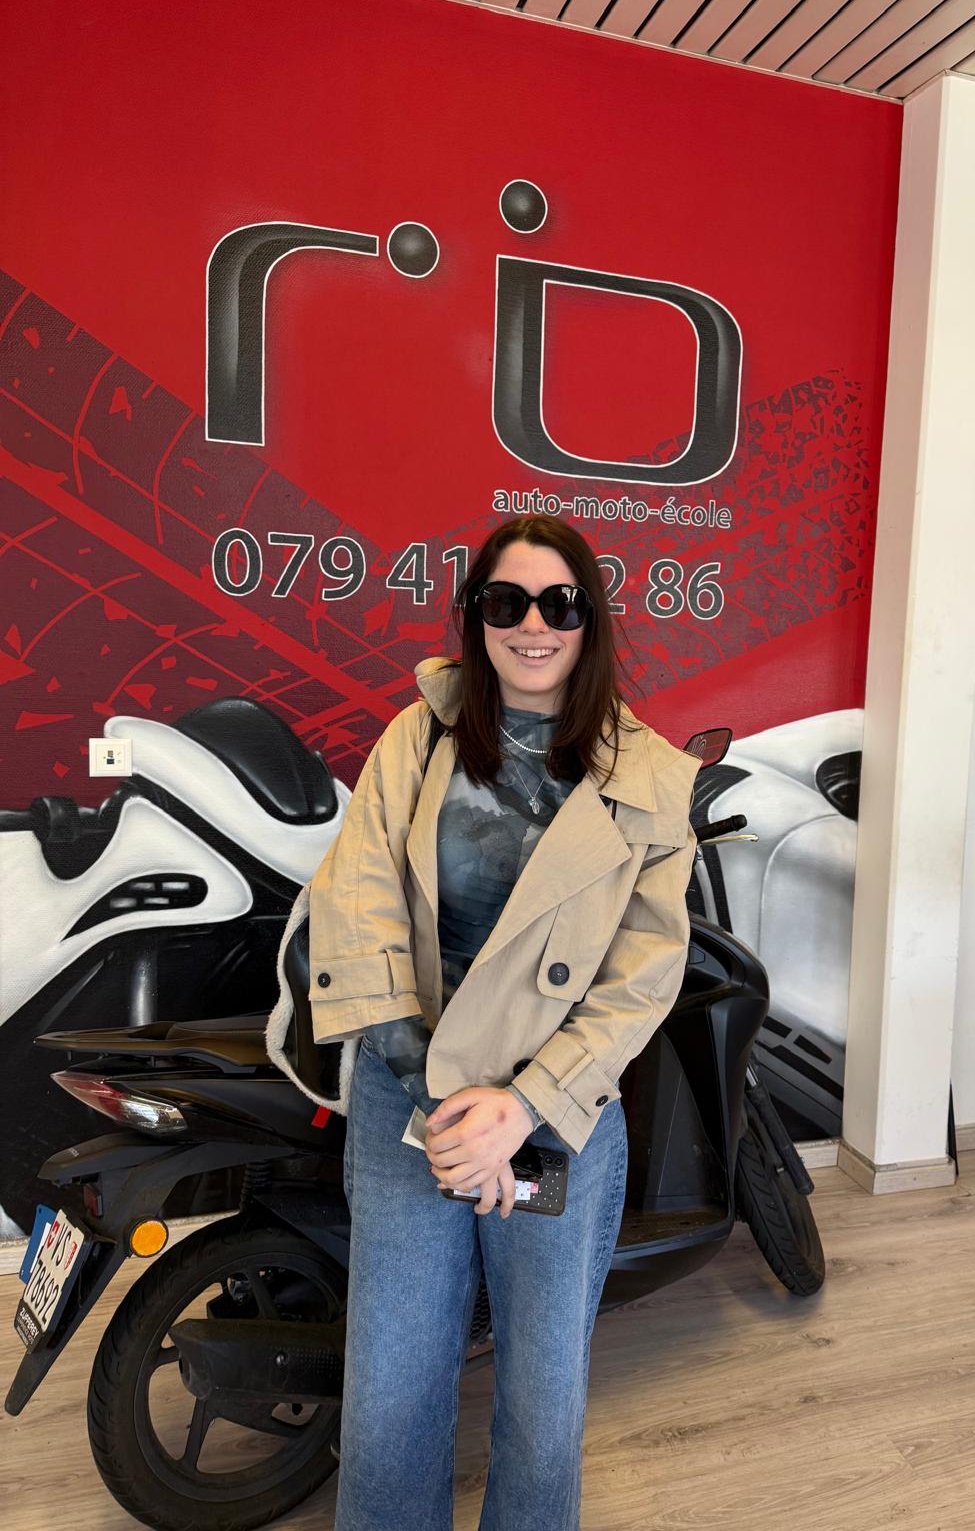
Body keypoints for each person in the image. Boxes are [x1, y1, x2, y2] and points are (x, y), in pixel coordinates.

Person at [267, 514, 700, 1531]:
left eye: (559, 603)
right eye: (508, 601)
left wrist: (521, 1106)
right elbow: (358, 906)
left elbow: (641, 976)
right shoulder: (418, 737)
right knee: (389, 1406)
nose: (533, 625)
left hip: (554, 1117)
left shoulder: (649, 779)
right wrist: (442, 1104)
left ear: (590, 621)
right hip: (409, 1102)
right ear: (476, 616)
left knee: (543, 1414)